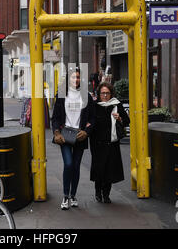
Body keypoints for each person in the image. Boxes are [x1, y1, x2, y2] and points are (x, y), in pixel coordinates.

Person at [51, 67, 95, 210]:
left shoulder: (86, 96)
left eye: (77, 77)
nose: (75, 80)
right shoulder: (61, 95)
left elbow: (92, 118)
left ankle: (73, 195)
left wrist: (87, 132)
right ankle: (65, 195)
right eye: (72, 77)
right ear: (68, 79)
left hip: (79, 135)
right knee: (68, 164)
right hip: (65, 135)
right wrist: (56, 132)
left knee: (76, 167)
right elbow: (55, 117)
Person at [90, 82, 130, 203]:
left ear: (111, 93)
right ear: (99, 94)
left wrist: (120, 118)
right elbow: (89, 122)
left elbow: (127, 121)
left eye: (107, 93)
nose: (105, 95)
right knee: (99, 169)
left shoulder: (116, 104)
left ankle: (106, 194)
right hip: (97, 143)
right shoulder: (94, 106)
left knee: (110, 170)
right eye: (103, 93)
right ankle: (98, 192)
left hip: (112, 143)